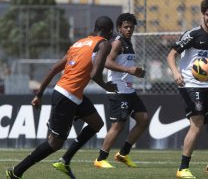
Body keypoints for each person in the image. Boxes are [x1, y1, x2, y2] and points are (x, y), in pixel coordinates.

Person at [5, 16, 117, 179]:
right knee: (54, 143)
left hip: (70, 93)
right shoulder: (104, 43)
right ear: (110, 31)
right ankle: (16, 172)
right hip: (67, 96)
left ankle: (65, 160)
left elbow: (53, 69)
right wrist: (107, 87)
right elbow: (95, 74)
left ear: (94, 28)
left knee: (96, 123)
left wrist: (39, 94)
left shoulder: (78, 44)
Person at [167, 0, 208, 178]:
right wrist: (176, 73)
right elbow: (171, 55)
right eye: (207, 15)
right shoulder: (193, 34)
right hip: (189, 85)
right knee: (197, 124)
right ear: (203, 15)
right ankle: (182, 168)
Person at [94, 13, 149, 168]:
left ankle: (123, 154)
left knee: (143, 119)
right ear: (119, 28)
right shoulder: (117, 42)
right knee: (118, 125)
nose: (129, 29)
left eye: (131, 27)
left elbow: (128, 68)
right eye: (126, 27)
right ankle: (100, 159)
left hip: (129, 91)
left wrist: (137, 72)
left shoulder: (129, 43)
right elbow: (106, 62)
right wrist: (128, 70)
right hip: (117, 89)